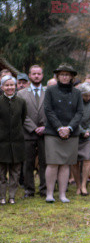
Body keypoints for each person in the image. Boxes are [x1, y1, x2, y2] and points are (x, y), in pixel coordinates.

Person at [43, 64, 84, 203]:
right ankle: (49, 194)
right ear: (57, 76)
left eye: (67, 74)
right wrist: (59, 128)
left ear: (72, 77)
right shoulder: (50, 90)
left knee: (66, 164)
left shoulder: (77, 93)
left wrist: (69, 128)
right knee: (53, 163)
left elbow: (80, 113)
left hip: (71, 133)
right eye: (62, 74)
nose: (64, 77)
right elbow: (48, 110)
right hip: (53, 133)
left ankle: (62, 194)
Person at [17, 65, 47, 197]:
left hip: (45, 133)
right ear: (29, 75)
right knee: (27, 163)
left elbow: (52, 112)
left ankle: (45, 189)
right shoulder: (21, 94)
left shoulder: (49, 92)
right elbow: (20, 114)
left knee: (45, 162)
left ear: (42, 75)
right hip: (28, 133)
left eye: (39, 74)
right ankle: (29, 190)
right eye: (34, 74)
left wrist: (45, 126)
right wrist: (34, 128)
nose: (36, 76)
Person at [71, 83, 90, 196]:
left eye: (89, 95)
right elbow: (72, 117)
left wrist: (89, 130)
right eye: (85, 96)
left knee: (87, 159)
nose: (88, 98)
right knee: (75, 161)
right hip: (76, 134)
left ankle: (84, 185)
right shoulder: (75, 101)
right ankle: (78, 185)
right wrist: (82, 130)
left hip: (89, 135)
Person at [0, 75, 27, 204]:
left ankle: (12, 196)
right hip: (2, 142)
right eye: (7, 85)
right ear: (2, 87)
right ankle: (2, 196)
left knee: (15, 171)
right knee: (1, 172)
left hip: (17, 142)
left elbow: (22, 118)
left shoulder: (21, 102)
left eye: (12, 85)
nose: (10, 87)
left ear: (15, 86)